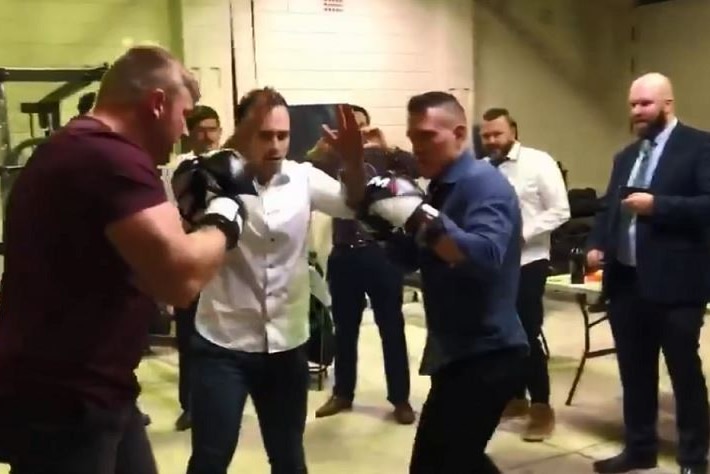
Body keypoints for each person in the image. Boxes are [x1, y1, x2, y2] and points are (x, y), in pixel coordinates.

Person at [0, 45, 248, 473]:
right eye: (182, 117)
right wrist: (227, 217)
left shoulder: (73, 146)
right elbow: (179, 280)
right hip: (68, 402)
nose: (182, 134)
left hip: (97, 387)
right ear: (156, 103)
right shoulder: (110, 156)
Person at [181, 87, 366, 474]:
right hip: (223, 342)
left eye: (283, 136)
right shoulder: (214, 176)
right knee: (210, 459)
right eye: (265, 135)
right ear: (244, 133)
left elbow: (352, 204)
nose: (277, 145)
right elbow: (180, 212)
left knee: (288, 457)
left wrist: (352, 163)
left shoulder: (303, 179)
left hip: (286, 344)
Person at [360, 91, 529, 473]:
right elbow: (413, 259)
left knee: (436, 465)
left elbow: (484, 258)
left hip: (487, 354)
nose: (417, 147)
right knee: (456, 461)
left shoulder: (483, 183)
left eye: (426, 136)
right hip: (458, 352)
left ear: (457, 133)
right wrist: (383, 225)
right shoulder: (441, 186)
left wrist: (420, 217)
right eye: (412, 137)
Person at [587, 72, 710, 474]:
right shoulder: (626, 156)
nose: (637, 112)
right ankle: (639, 449)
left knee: (683, 373)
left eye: (645, 104)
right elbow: (610, 207)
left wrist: (659, 206)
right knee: (635, 373)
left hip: (677, 284)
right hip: (627, 283)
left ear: (667, 104)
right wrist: (597, 243)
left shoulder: (699, 146)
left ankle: (693, 457)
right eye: (633, 104)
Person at [310, 105, 417, 425]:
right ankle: (343, 393)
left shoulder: (386, 159)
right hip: (344, 254)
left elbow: (415, 169)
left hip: (381, 253)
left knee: (391, 328)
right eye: (350, 128)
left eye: (361, 127)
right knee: (345, 329)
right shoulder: (333, 161)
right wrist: (328, 147)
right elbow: (309, 164)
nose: (356, 133)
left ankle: (400, 399)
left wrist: (385, 146)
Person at [479, 107, 570, 441]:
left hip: (529, 260)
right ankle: (515, 398)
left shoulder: (538, 162)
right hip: (494, 264)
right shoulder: (482, 169)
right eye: (486, 135)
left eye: (497, 134)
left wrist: (523, 232)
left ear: (513, 131)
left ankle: (542, 408)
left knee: (527, 333)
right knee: (502, 334)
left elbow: (561, 210)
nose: (491, 140)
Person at [171, 104, 223, 432]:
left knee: (223, 340)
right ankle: (189, 406)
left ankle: (223, 402)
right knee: (190, 339)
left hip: (223, 267)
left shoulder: (231, 167)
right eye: (201, 129)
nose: (207, 135)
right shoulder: (175, 169)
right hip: (190, 261)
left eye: (212, 128)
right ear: (189, 132)